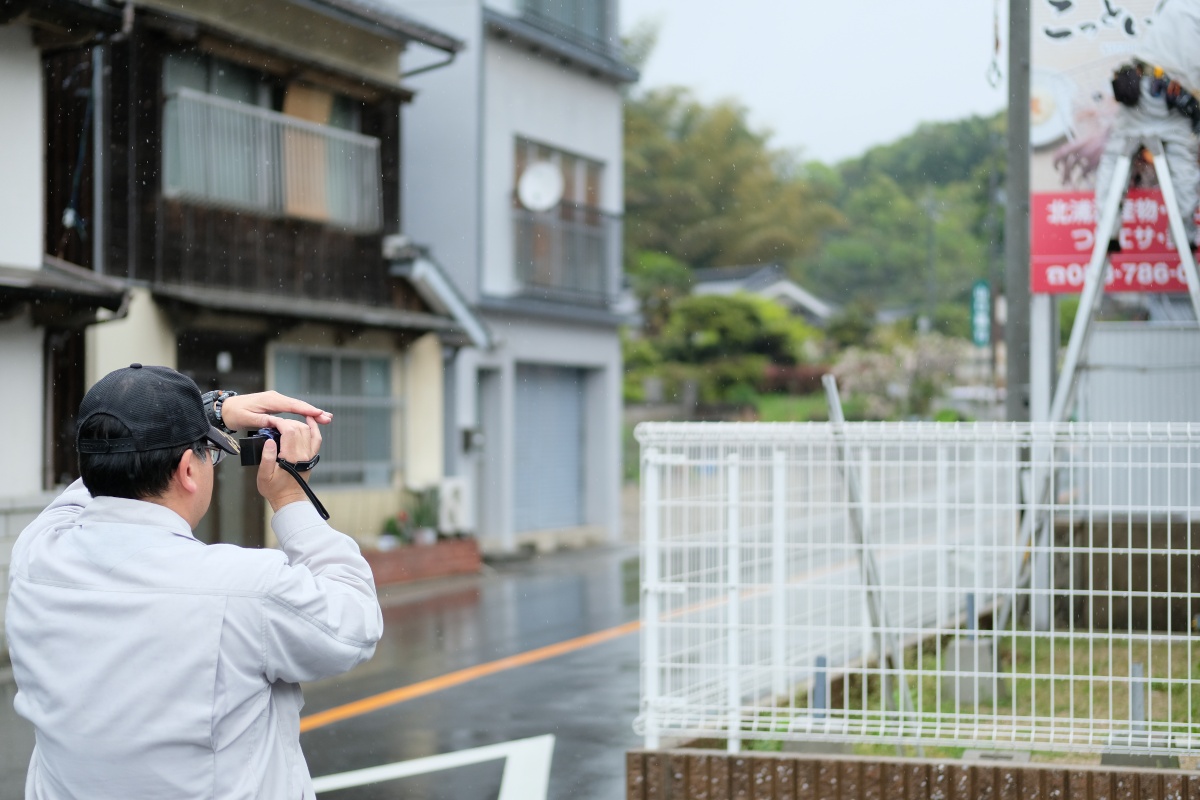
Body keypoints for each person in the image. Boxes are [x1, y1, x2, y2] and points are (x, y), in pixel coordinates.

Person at [4, 364, 383, 799]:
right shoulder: (245, 587)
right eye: (210, 452)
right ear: (188, 470)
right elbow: (355, 624)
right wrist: (291, 498)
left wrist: (208, 417)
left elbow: (94, 482)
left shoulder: (35, 558)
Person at [1088, 0, 1200, 244]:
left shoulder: (1180, 7)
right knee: (1182, 159)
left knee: (1117, 154)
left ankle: (1108, 228)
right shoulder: (1190, 11)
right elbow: (1194, 65)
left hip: (1145, 90)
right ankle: (1184, 234)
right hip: (1166, 95)